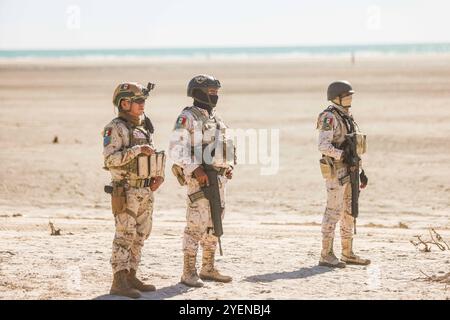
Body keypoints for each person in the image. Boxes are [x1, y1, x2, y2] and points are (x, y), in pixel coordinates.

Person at [169, 75, 235, 287]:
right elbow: (176, 149)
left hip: (219, 180)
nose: (215, 96)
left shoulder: (217, 119)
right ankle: (188, 272)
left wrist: (229, 166)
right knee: (195, 225)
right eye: (211, 91)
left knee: (214, 223)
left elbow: (227, 147)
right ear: (198, 93)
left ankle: (208, 267)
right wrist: (195, 168)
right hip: (200, 181)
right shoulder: (187, 117)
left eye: (217, 92)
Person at [103, 82, 165, 298]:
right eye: (138, 101)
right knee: (124, 235)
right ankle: (119, 281)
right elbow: (110, 159)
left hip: (145, 191)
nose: (142, 105)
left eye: (143, 101)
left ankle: (131, 275)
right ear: (125, 103)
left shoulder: (143, 126)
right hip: (126, 191)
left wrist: (158, 175)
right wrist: (137, 150)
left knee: (140, 235)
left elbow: (152, 155)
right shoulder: (115, 128)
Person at [316, 80, 370, 268]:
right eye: (347, 95)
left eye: (350, 95)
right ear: (337, 98)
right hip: (336, 171)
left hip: (351, 170)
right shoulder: (329, 117)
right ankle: (326, 254)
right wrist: (342, 155)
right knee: (333, 211)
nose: (350, 98)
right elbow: (323, 146)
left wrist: (361, 170)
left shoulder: (347, 116)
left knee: (349, 211)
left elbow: (354, 147)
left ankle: (348, 252)